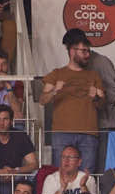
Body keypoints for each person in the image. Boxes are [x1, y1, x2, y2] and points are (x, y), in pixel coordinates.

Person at [40, 29, 105, 171]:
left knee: (87, 177)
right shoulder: (57, 73)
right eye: (84, 51)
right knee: (60, 175)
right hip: (61, 133)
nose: (88, 55)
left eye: (88, 51)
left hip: (89, 134)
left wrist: (96, 97)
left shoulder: (94, 75)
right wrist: (55, 91)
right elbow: (42, 100)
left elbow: (101, 105)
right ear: (72, 51)